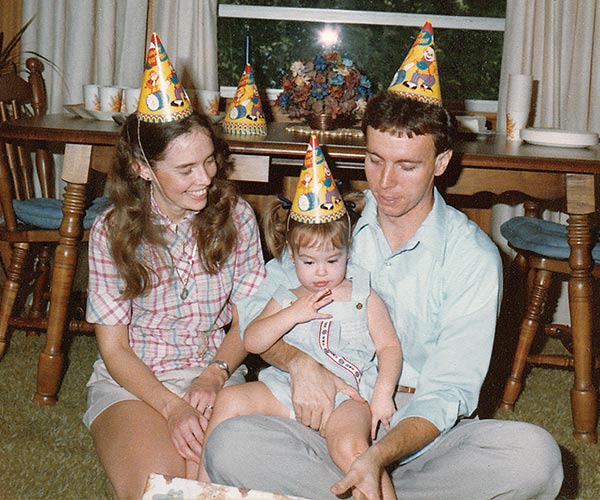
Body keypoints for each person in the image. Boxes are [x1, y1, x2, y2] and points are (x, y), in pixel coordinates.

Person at [202, 91, 564, 500]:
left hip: (422, 439)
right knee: (230, 444)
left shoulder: (472, 257)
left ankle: (359, 488)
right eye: (375, 160)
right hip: (323, 424)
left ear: (440, 163)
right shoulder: (334, 223)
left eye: (407, 166)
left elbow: (449, 392)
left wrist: (376, 457)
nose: (385, 182)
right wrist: (300, 364)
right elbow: (256, 316)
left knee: (536, 458)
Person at [83, 33, 265, 499]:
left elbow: (249, 319)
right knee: (159, 488)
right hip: (137, 381)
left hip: (215, 374)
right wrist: (170, 406)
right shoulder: (110, 230)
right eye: (185, 170)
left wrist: (214, 375)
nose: (204, 179)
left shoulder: (239, 217)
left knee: (214, 482)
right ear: (144, 167)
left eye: (208, 162)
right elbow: (115, 349)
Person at [198, 136, 402, 500]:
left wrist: (383, 395)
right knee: (229, 401)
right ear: (292, 256)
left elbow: (388, 347)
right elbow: (252, 339)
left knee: (352, 448)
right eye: (309, 262)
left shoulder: (362, 295)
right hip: (286, 388)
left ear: (347, 252)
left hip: (348, 396)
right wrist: (293, 313)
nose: (321, 272)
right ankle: (199, 490)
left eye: (332, 260)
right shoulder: (287, 294)